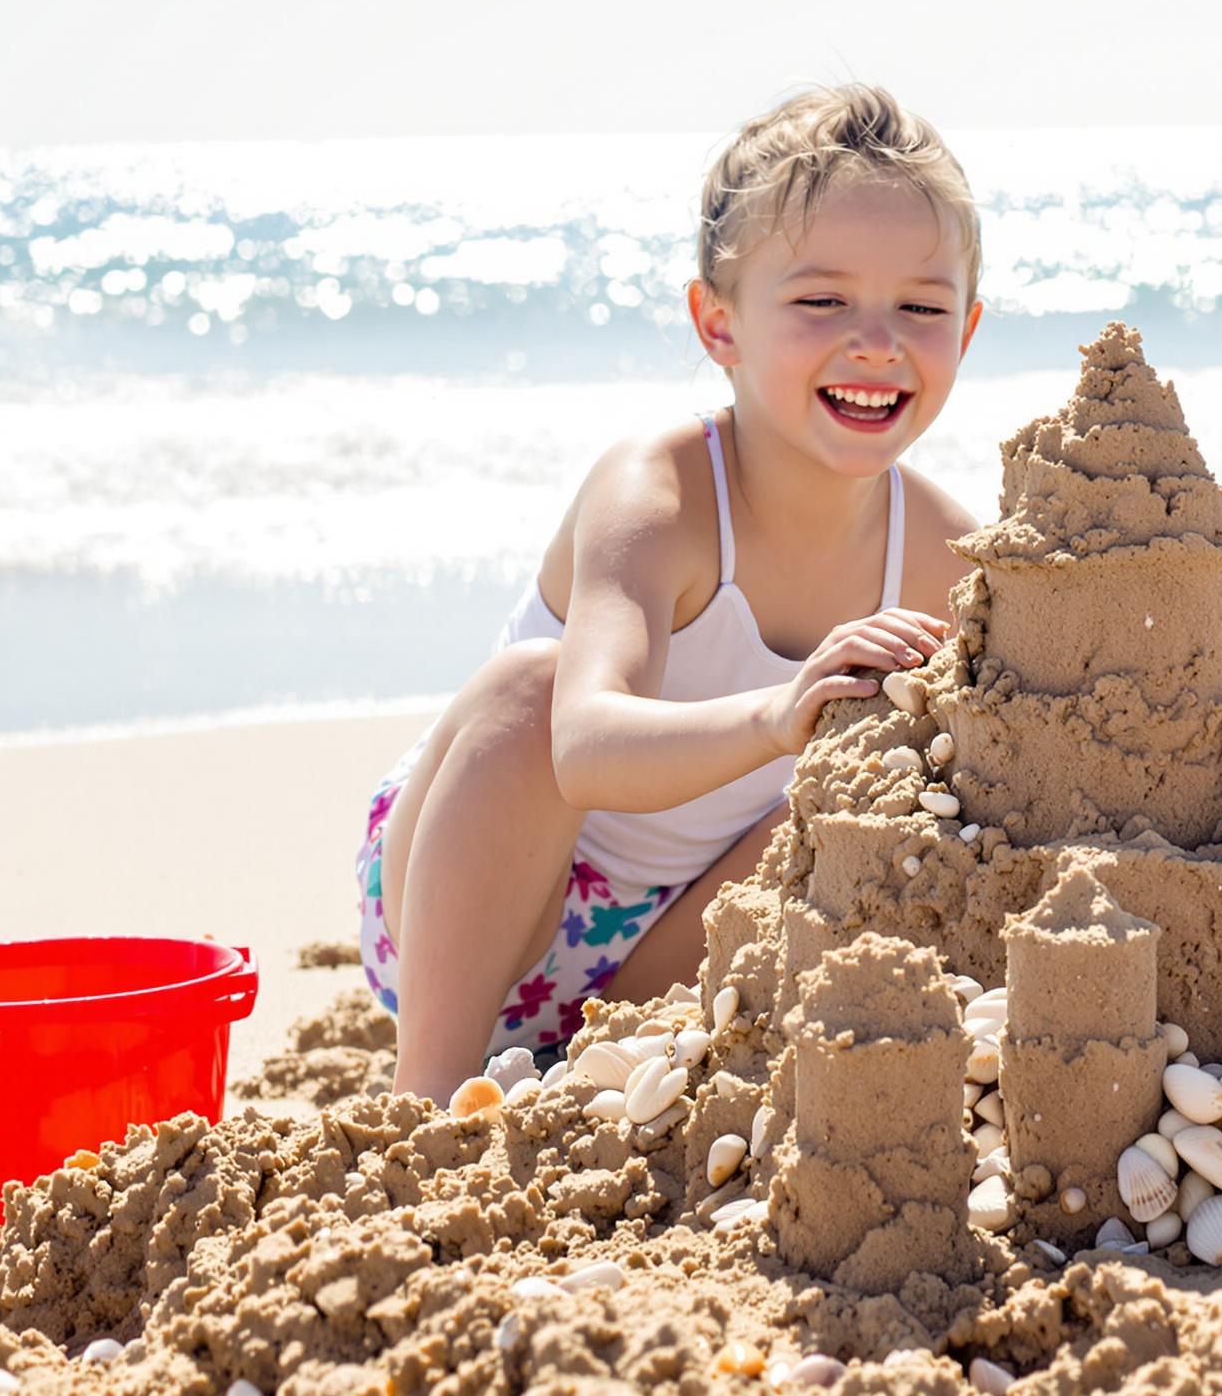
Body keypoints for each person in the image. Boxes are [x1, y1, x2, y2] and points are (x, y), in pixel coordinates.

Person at [359, 85, 986, 1101]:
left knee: (892, 770)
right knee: (530, 686)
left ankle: (586, 1063)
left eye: (921, 305)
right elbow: (584, 745)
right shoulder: (661, 492)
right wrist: (780, 713)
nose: (877, 340)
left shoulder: (949, 553)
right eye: (821, 300)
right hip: (476, 905)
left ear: (969, 325)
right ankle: (425, 1097)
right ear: (718, 322)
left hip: (671, 946)